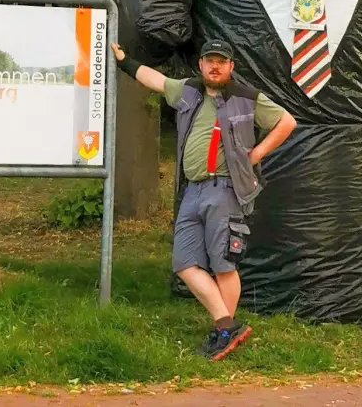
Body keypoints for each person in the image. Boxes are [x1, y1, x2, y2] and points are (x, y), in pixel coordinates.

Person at [112, 39, 297, 361]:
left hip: (226, 190)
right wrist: (123, 59)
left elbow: (287, 122)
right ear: (200, 65)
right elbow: (152, 79)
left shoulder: (246, 97)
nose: (215, 66)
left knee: (223, 264)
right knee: (184, 263)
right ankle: (227, 323)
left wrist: (255, 155)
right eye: (209, 60)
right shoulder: (188, 91)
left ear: (230, 66)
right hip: (192, 190)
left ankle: (223, 332)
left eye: (221, 61)